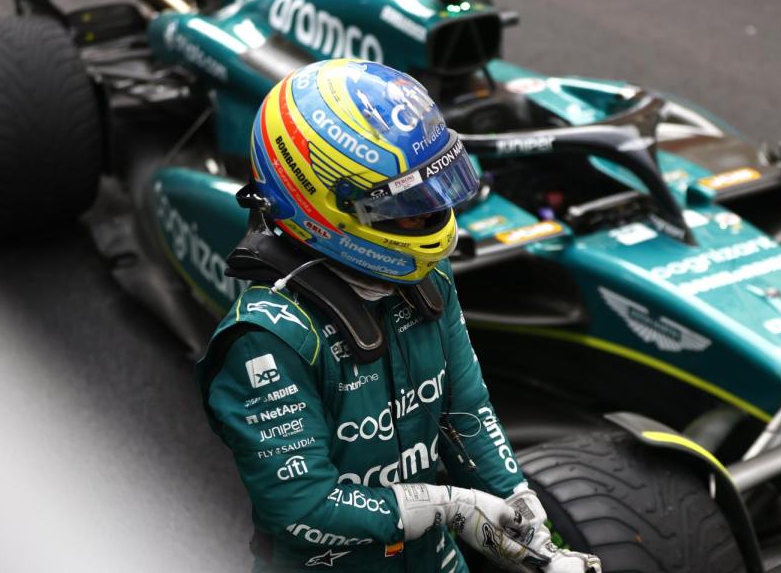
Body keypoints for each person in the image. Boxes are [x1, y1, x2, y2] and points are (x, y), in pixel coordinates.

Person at [195, 59, 602, 573]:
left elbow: (466, 409)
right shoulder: (266, 337)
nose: (431, 216)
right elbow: (300, 506)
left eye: (434, 194)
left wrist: (517, 503)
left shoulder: (429, 278)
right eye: (408, 204)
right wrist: (451, 507)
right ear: (323, 204)